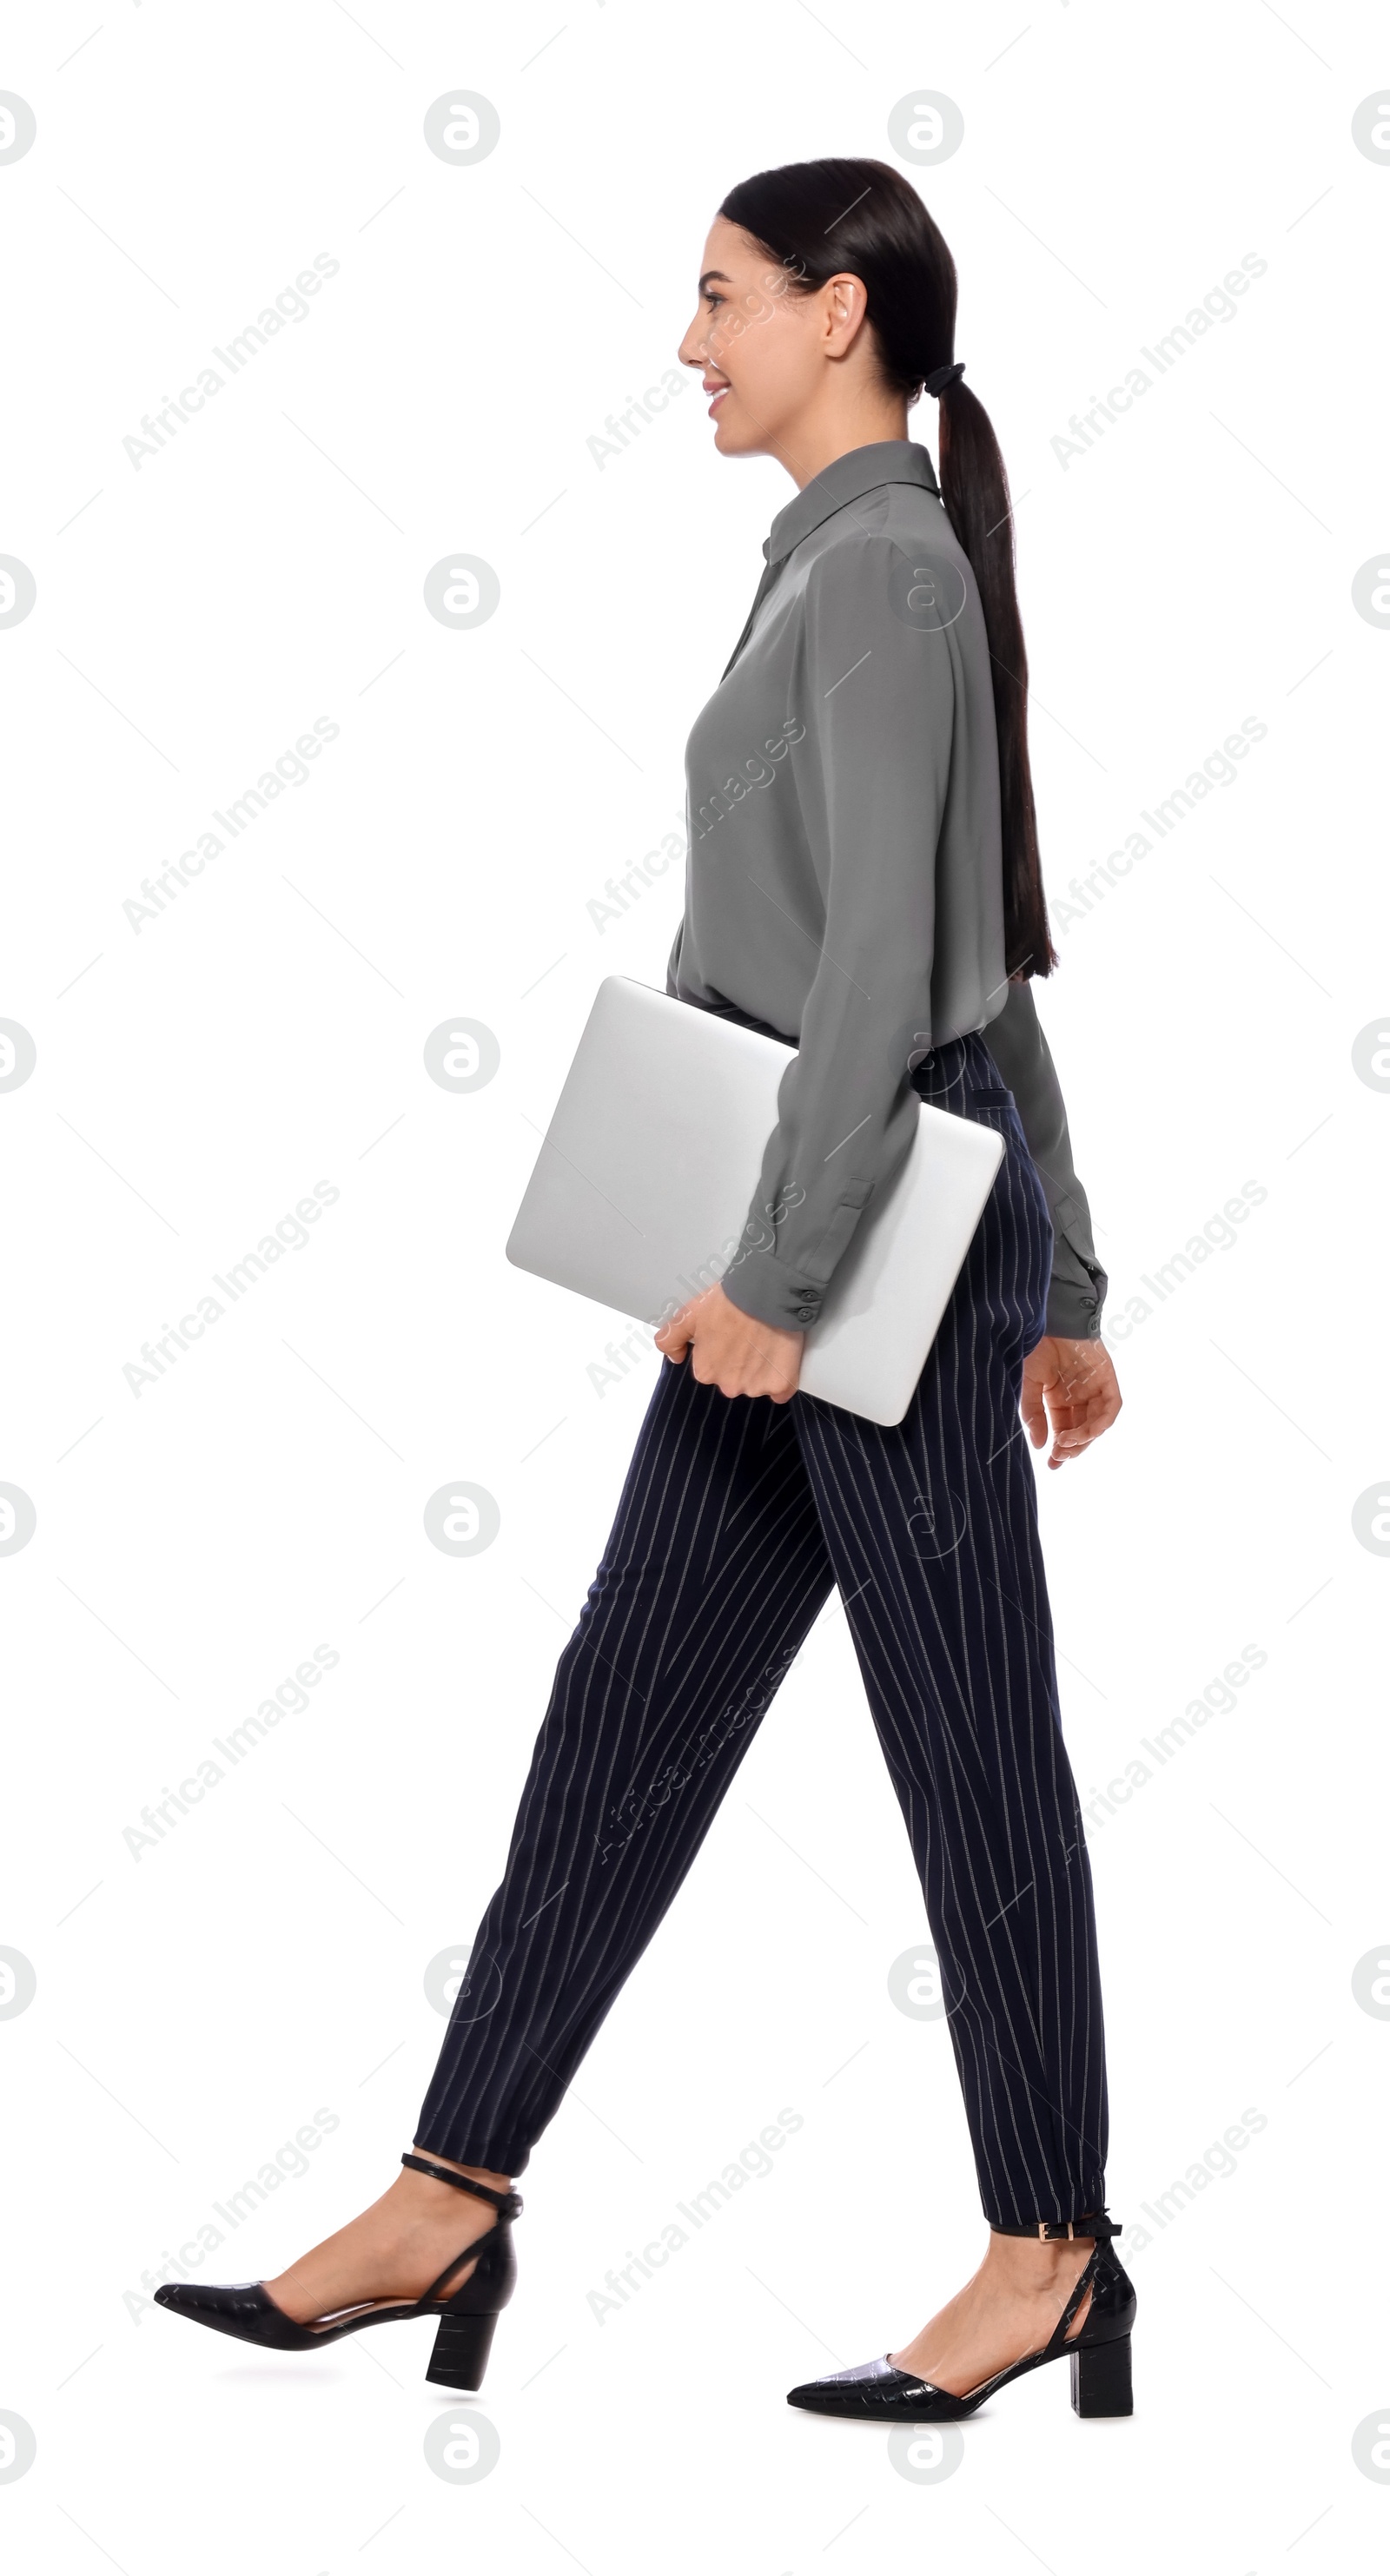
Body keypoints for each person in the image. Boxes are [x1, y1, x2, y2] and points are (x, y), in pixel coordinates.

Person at [155, 155, 1136, 2426]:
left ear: (841, 312)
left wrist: (805, 1277)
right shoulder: (843, 563)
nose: (689, 345)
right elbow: (981, 951)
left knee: (969, 1748)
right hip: (819, 1221)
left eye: (719, 300)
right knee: (624, 1718)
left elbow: (904, 972)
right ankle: (447, 2193)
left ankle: (1051, 2252)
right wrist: (1059, 1265)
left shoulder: (885, 577)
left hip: (847, 1237)